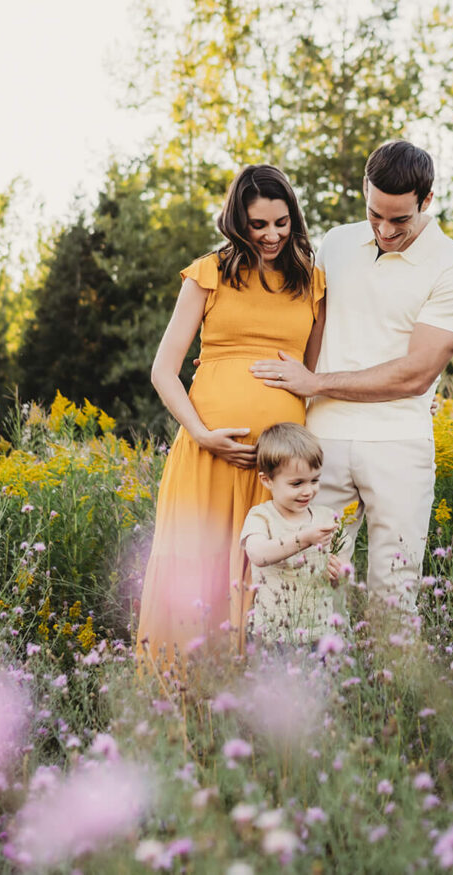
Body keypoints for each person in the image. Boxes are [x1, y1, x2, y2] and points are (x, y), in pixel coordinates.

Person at [250, 140, 453, 617]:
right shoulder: (336, 242)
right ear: (364, 191)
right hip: (321, 443)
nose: (385, 229)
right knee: (307, 584)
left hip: (398, 444)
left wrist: (317, 383)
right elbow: (305, 323)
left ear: (428, 201)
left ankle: (391, 693)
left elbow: (417, 374)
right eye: (376, 214)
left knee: (392, 594)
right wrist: (231, 358)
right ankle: (314, 689)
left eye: (400, 219)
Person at [135, 165, 326, 662]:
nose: (271, 235)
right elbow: (162, 369)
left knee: (269, 580)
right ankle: (184, 705)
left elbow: (318, 371)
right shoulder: (209, 273)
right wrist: (201, 434)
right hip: (209, 458)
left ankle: (259, 711)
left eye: (281, 223)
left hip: (279, 472)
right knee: (197, 577)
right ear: (237, 221)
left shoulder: (312, 282)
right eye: (258, 225)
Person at [238, 423, 353, 646]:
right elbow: (258, 554)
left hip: (321, 634)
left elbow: (344, 573)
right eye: (297, 483)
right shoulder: (262, 516)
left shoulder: (327, 518)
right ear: (267, 480)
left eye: (314, 480)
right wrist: (304, 539)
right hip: (276, 636)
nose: (308, 491)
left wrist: (340, 575)